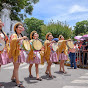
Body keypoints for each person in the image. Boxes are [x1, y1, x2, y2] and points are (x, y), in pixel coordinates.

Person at [9, 22, 27, 87]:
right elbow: (13, 40)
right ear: (16, 28)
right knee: (16, 67)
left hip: (20, 52)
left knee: (17, 67)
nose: (20, 28)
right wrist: (22, 38)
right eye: (19, 27)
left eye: (21, 28)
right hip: (16, 53)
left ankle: (12, 77)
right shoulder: (14, 35)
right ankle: (18, 82)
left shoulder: (21, 35)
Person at [0, 19, 9, 86]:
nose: (0, 24)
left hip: (1, 51)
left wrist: (6, 47)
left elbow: (6, 41)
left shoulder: (3, 33)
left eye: (1, 23)